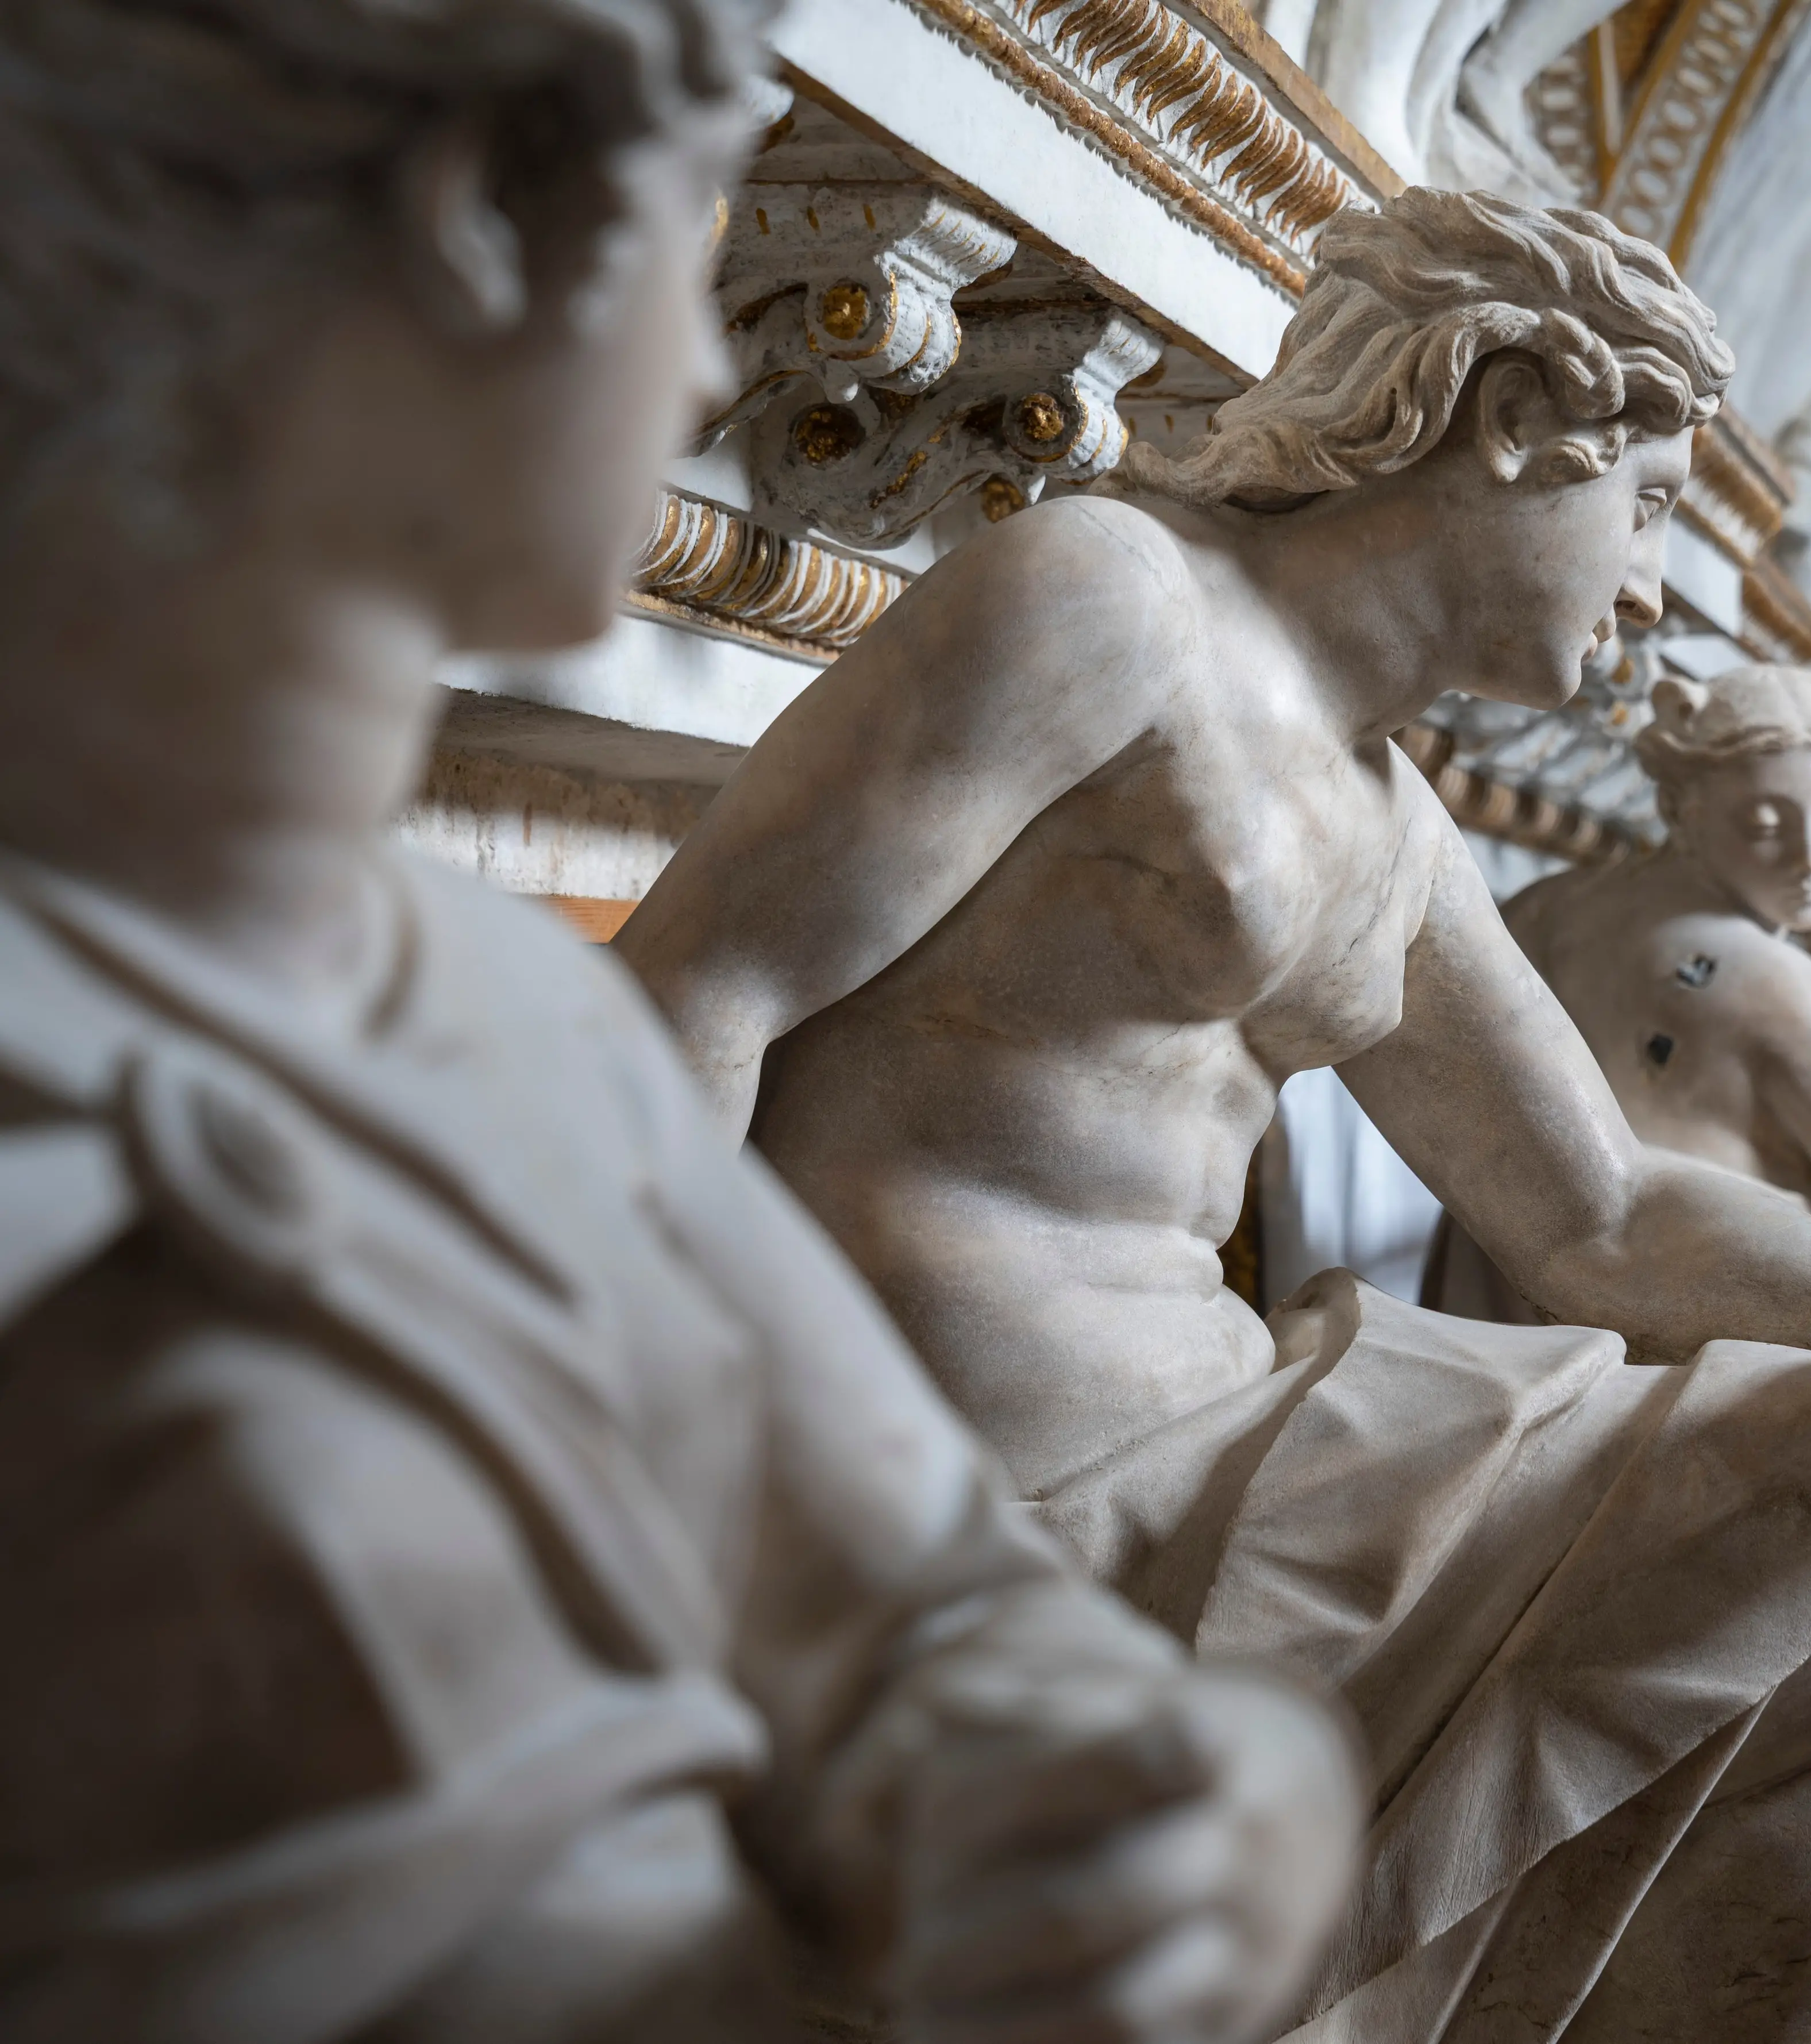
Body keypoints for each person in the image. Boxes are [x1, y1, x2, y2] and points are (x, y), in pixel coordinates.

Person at [0, 5, 1361, 2041]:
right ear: (478, 236)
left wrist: (1177, 1803)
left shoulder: (502, 1012)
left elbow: (922, 1602)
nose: (719, 362)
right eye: (683, 222)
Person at [619, 188, 1811, 2043]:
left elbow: (1603, 1218)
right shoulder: (1108, 599)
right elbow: (697, 1000)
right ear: (1515, 420)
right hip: (975, 1501)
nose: (1650, 587)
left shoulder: (1394, 821)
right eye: (1644, 504)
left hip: (1248, 1451)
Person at [1426, 661, 1811, 2044]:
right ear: (1680, 795)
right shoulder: (1761, 978)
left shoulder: (1529, 913)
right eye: (1767, 821)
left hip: (1547, 1412)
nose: (1810, 858)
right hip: (1759, 1443)